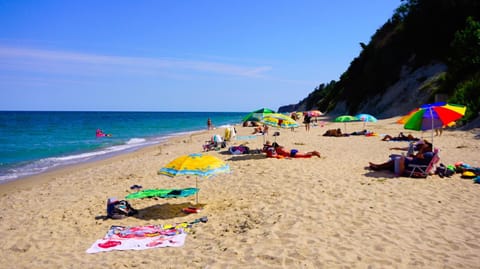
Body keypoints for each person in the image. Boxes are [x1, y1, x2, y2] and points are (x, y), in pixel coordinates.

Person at [369, 150, 434, 175]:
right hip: (410, 162)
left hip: (409, 165)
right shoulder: (431, 155)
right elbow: (420, 157)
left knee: (394, 161)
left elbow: (420, 156)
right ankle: (379, 166)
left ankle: (378, 167)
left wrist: (421, 151)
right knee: (393, 162)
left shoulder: (428, 155)